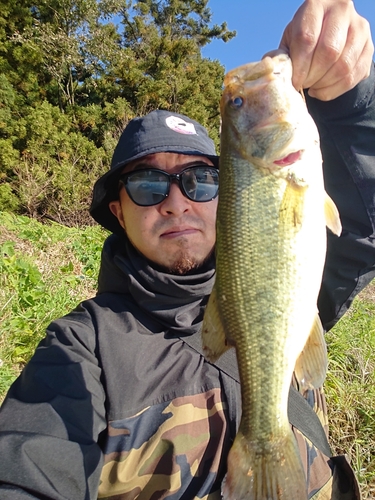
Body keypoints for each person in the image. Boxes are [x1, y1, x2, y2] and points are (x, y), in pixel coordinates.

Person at [0, 0, 374, 498]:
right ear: (117, 210)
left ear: (228, 194)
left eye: (199, 180)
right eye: (149, 185)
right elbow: (29, 463)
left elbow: (365, 226)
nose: (176, 203)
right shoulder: (80, 350)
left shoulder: (295, 285)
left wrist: (352, 102)